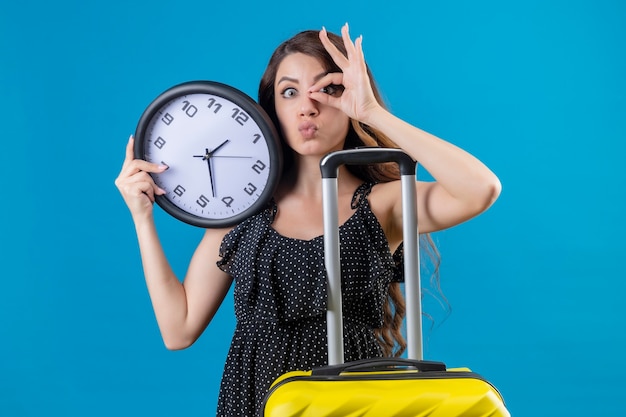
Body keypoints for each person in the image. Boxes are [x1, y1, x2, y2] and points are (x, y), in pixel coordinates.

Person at [115, 24, 501, 417]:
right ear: (270, 111)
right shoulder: (242, 210)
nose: (307, 106)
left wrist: (374, 114)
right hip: (256, 397)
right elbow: (178, 329)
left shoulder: (383, 205)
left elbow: (480, 189)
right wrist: (142, 217)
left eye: (328, 89)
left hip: (350, 399)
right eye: (289, 92)